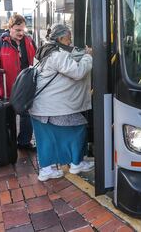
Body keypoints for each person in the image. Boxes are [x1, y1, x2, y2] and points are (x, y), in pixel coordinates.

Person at [30, 24, 94, 181]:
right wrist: (88, 56)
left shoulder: (45, 49)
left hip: (39, 106)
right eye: (68, 38)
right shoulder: (56, 54)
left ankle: (46, 170)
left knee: (45, 140)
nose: (70, 41)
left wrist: (81, 52)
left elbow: (69, 57)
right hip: (51, 107)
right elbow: (77, 71)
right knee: (78, 129)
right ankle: (76, 163)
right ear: (60, 38)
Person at [0, 14, 37, 150]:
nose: (21, 33)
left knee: (27, 115)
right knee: (9, 118)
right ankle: (8, 144)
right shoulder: (0, 43)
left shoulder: (29, 41)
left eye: (23, 30)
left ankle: (24, 142)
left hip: (26, 87)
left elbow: (37, 61)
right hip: (8, 89)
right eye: (18, 30)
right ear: (10, 28)